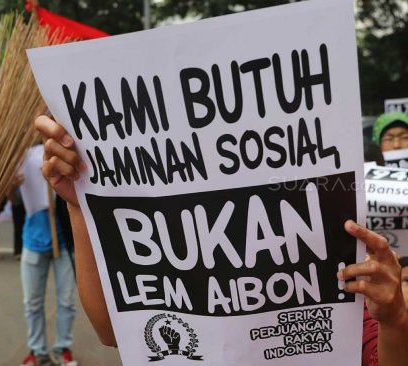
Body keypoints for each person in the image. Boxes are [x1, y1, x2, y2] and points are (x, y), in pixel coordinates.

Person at [34, 115, 408, 366]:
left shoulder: (345, 280)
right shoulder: (192, 258)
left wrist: (394, 319)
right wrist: (80, 205)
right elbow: (112, 331)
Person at [19, 143, 78, 366]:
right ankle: (37, 351)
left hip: (65, 244)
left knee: (67, 302)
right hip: (33, 242)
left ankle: (62, 348)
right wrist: (10, 187)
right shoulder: (23, 156)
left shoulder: (64, 150)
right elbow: (15, 201)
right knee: (32, 303)